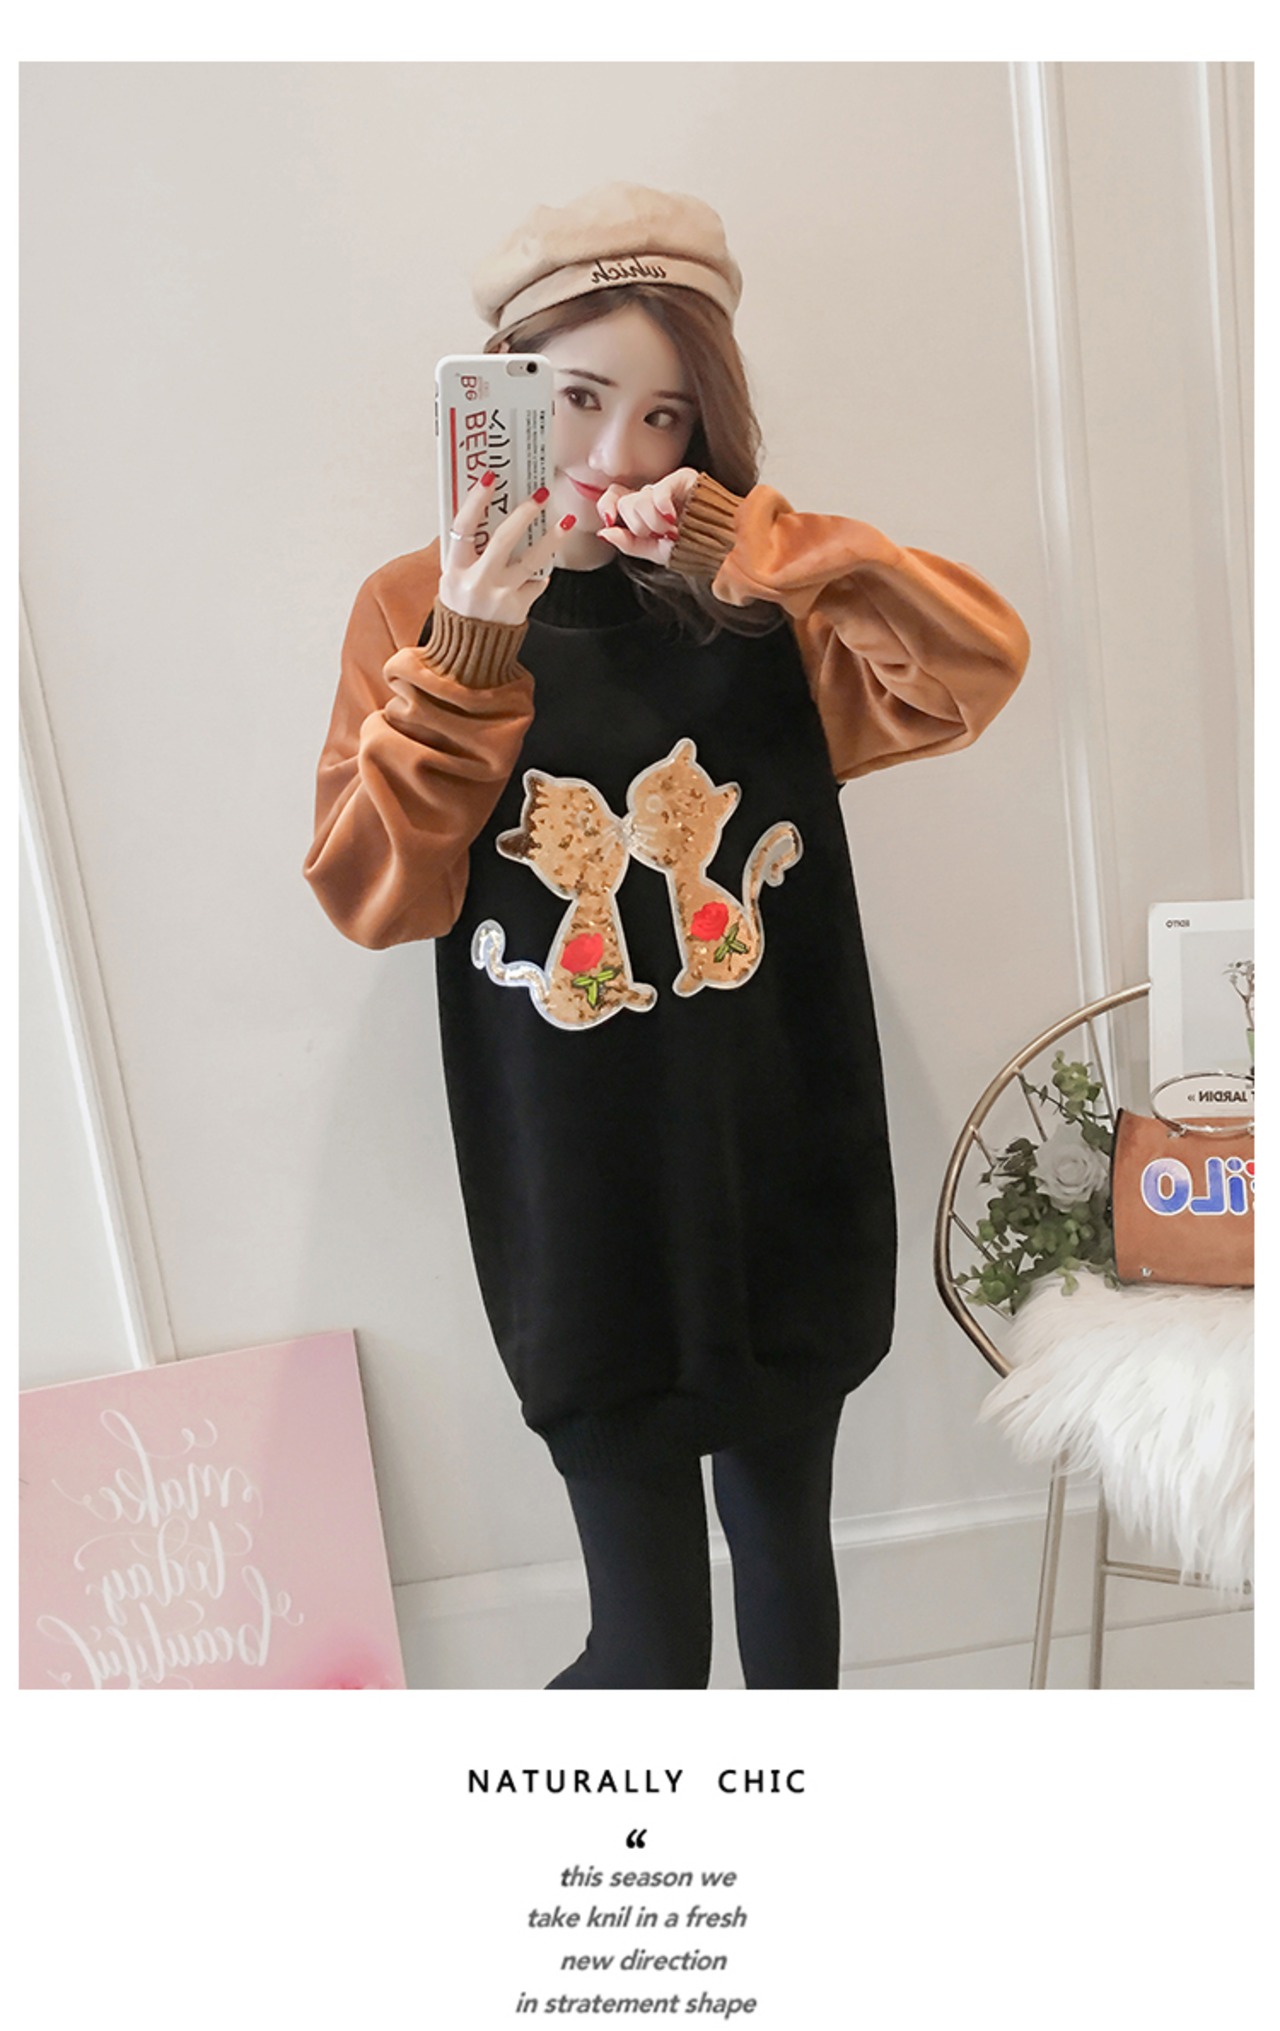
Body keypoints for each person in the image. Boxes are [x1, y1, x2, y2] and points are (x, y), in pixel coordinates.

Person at [304, 184, 1030, 1689]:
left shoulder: (760, 602)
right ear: (501, 394)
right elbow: (376, 892)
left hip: (779, 1171)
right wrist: (472, 644)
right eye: (576, 400)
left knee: (790, 1585)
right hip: (583, 1206)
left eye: (666, 417)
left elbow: (971, 670)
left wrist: (742, 544)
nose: (616, 455)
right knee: (644, 1647)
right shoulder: (411, 611)